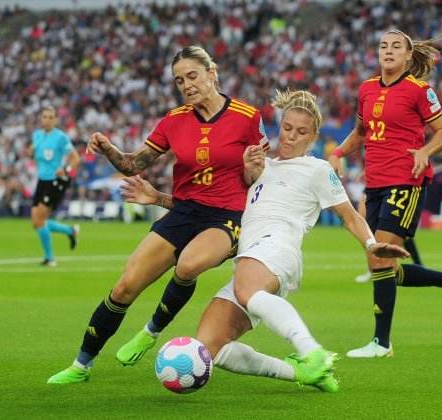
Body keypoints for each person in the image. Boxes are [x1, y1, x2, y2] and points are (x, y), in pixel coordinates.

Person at [120, 90, 410, 392]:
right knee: (211, 345)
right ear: (278, 126)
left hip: (277, 248)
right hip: (250, 258)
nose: (291, 137)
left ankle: (311, 351)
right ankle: (301, 374)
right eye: (287, 128)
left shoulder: (318, 170)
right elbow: (207, 211)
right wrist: (157, 198)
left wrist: (370, 244)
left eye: (301, 132)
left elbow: (350, 216)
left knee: (246, 290)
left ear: (313, 137)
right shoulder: (258, 167)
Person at [47, 45, 268, 384]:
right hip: (182, 211)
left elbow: (258, 178)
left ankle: (150, 332)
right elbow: (133, 164)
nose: (187, 85)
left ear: (212, 73)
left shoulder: (247, 116)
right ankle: (81, 365)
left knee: (189, 264)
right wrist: (108, 148)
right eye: (180, 81)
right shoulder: (174, 120)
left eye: (192, 76)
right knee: (124, 286)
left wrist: (254, 171)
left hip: (226, 216)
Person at [328, 29, 442, 359]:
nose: (388, 50)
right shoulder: (366, 89)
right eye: (383, 45)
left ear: (409, 56)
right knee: (381, 265)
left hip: (406, 181)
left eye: (397, 46)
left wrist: (425, 151)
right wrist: (338, 153)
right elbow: (360, 133)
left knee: (379, 258)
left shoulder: (419, 91)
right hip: (376, 183)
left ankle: (381, 343)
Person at [29, 107, 80, 267]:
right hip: (42, 180)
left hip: (55, 181)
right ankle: (70, 231)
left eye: (51, 117)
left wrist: (65, 169)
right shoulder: (37, 135)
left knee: (40, 219)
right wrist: (30, 152)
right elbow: (35, 155)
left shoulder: (60, 137)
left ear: (55, 120)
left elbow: (75, 158)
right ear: (40, 119)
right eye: (44, 117)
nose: (47, 120)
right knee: (36, 221)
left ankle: (50, 258)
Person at [354, 193, 422, 283]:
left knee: (399, 230)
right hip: (374, 186)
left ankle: (418, 265)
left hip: (394, 188)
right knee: (367, 228)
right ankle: (373, 269)